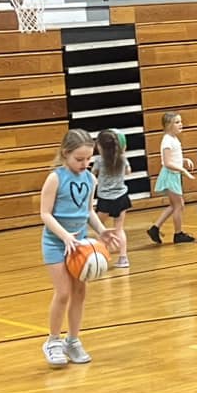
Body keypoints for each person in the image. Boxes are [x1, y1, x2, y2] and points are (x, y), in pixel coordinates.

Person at [39, 128, 119, 367]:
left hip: (80, 244)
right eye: (79, 159)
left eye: (89, 158)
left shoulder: (90, 179)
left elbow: (88, 212)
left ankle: (72, 340)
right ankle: (53, 341)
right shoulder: (55, 178)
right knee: (63, 293)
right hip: (56, 242)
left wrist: (101, 231)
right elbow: (44, 214)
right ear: (65, 154)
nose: (85, 163)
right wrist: (64, 236)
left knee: (80, 293)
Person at [147, 112, 195, 245]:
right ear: (168, 125)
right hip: (170, 175)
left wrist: (184, 160)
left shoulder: (173, 139)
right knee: (178, 205)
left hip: (174, 174)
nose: (181, 124)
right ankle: (178, 234)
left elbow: (174, 158)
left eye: (180, 121)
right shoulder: (167, 140)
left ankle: (155, 228)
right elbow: (167, 162)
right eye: (177, 122)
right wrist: (183, 170)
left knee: (176, 205)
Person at [91, 129, 132, 268]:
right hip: (121, 197)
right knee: (119, 229)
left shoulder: (99, 161)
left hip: (105, 199)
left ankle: (103, 257)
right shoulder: (122, 159)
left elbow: (93, 175)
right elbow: (128, 172)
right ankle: (123, 258)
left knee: (100, 229)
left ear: (100, 147)